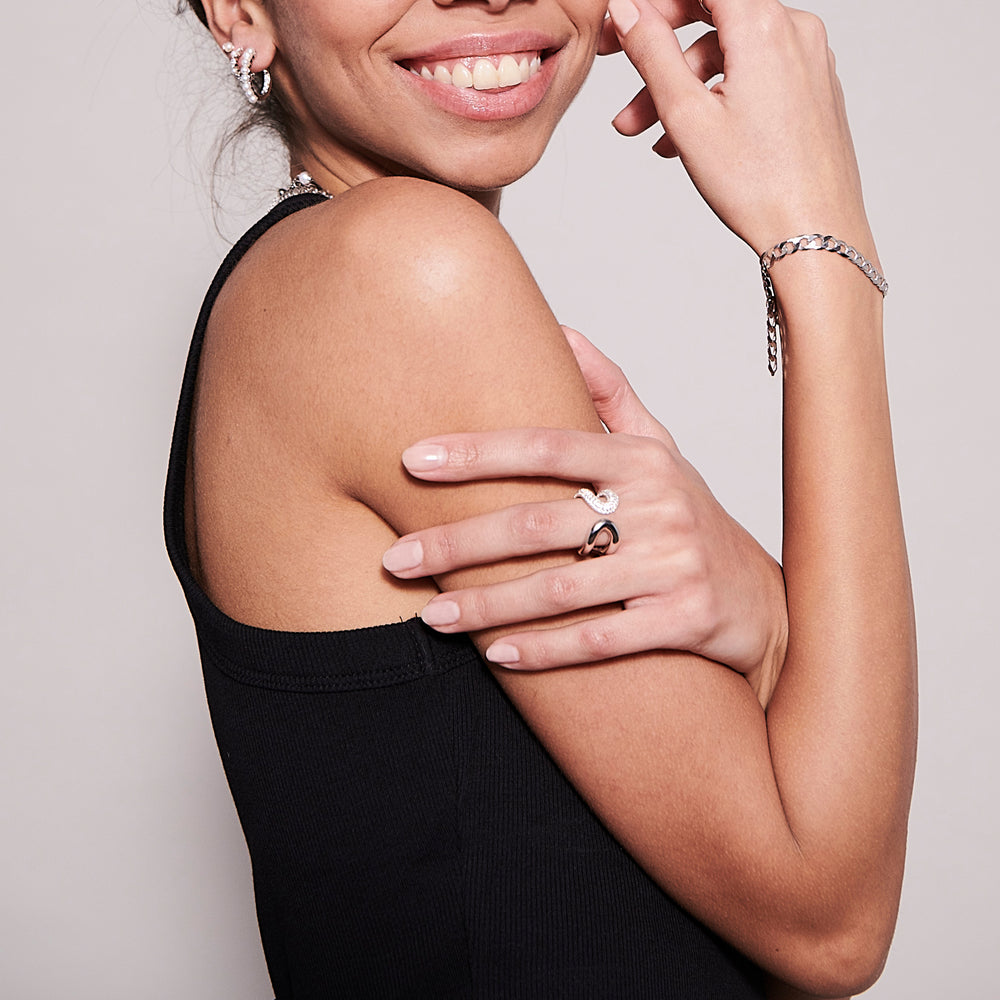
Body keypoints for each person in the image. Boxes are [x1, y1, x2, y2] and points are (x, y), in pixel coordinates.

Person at [164, 0, 916, 996]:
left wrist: (767, 612)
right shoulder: (398, 266)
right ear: (241, 12)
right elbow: (830, 929)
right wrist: (819, 241)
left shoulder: (317, 284)